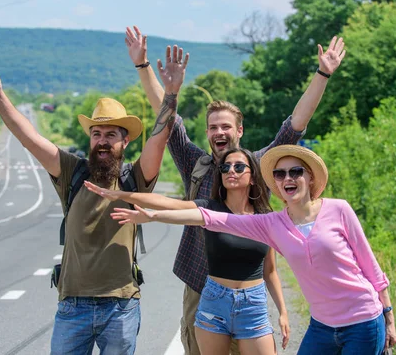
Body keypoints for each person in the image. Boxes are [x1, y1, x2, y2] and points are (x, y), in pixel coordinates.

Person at [125, 25, 346, 354]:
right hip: (201, 287)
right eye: (213, 127)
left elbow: (295, 125)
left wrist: (322, 74)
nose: (219, 132)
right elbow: (168, 119)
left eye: (226, 126)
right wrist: (144, 68)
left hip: (248, 290)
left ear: (239, 130)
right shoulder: (194, 163)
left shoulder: (259, 165)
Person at [0, 45, 188, 355]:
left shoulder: (134, 178)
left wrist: (171, 93)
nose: (102, 141)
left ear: (125, 141)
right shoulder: (71, 171)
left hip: (120, 305)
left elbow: (161, 136)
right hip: (73, 306)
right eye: (97, 134)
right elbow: (27, 136)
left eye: (111, 134)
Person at [112, 145, 396, 355]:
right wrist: (147, 212)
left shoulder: (338, 210)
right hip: (321, 325)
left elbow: (370, 265)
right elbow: (206, 217)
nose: (288, 178)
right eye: (280, 173)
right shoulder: (272, 223)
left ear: (310, 178)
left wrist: (388, 315)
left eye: (296, 171)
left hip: (362, 318)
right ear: (274, 181)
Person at [85, 147, 289, 355]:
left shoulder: (264, 217)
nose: (231, 171)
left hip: (252, 304)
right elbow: (171, 204)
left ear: (253, 177)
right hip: (215, 303)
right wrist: (122, 195)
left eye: (238, 167)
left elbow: (270, 271)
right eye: (225, 167)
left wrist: (282, 311)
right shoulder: (210, 209)